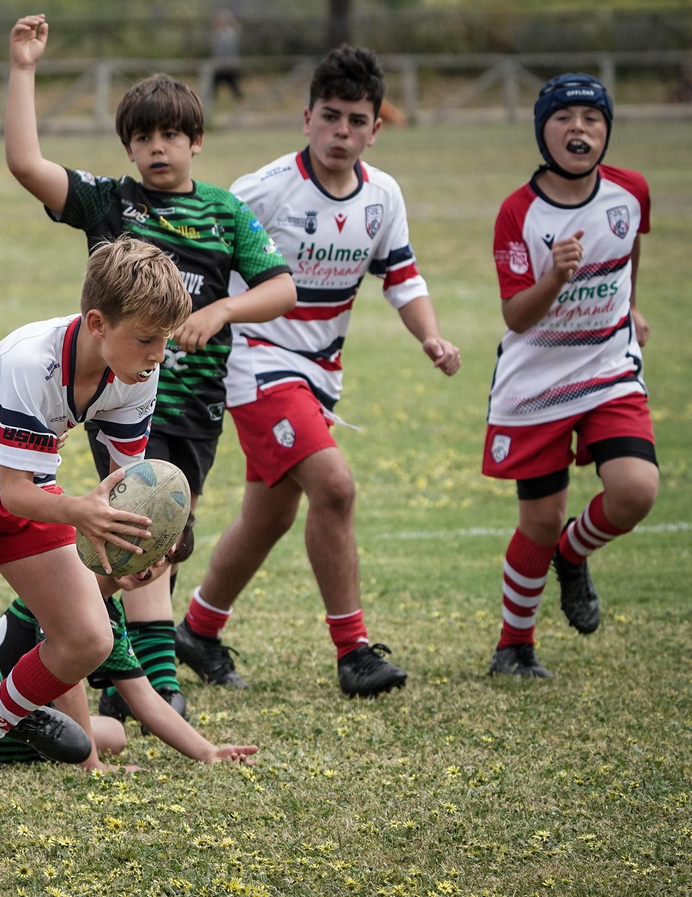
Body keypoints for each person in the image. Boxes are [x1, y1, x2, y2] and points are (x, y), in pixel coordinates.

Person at [0, 236, 256, 867]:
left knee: (89, 638)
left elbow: (128, 481)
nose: (158, 355)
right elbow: (18, 493)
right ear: (95, 323)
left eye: (165, 339)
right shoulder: (36, 360)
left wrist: (144, 531)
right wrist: (85, 510)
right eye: (146, 339)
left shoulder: (137, 369)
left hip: (28, 490)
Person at [3, 13, 294, 723]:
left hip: (196, 405)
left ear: (196, 141)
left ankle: (39, 631)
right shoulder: (113, 202)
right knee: (142, 525)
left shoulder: (225, 213)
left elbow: (280, 286)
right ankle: (156, 681)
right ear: (128, 147)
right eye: (142, 137)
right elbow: (26, 166)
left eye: (169, 135)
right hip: (124, 398)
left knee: (165, 536)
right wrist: (24, 70)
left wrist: (220, 311)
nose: (155, 147)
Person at [182, 45, 461, 697]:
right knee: (333, 485)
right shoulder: (266, 189)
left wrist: (431, 336)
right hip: (254, 362)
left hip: (319, 375)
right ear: (306, 118)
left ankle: (198, 628)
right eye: (330, 117)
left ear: (375, 127)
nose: (342, 132)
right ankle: (353, 651)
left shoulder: (382, 195)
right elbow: (207, 273)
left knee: (270, 516)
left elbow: (402, 276)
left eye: (356, 121)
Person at [482, 74, 656, 677]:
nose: (579, 129)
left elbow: (629, 251)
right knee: (540, 519)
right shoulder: (518, 212)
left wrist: (629, 308)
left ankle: (572, 554)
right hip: (537, 381)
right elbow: (515, 316)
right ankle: (515, 645)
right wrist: (554, 278)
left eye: (592, 118)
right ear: (542, 131)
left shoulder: (632, 192)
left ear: (607, 131)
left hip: (608, 365)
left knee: (636, 490)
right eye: (564, 118)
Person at [0, 591, 255, 774]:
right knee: (90, 740)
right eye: (154, 550)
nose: (158, 562)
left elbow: (141, 694)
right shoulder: (68, 588)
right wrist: (91, 765)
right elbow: (64, 676)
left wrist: (208, 751)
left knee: (115, 732)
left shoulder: (105, 606)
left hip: (15, 710)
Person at [209, 11, 243, 102]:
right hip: (227, 64)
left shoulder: (226, 35)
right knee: (217, 84)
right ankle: (210, 102)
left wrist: (217, 60)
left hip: (226, 65)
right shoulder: (226, 33)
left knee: (230, 85)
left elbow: (224, 50)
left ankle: (209, 102)